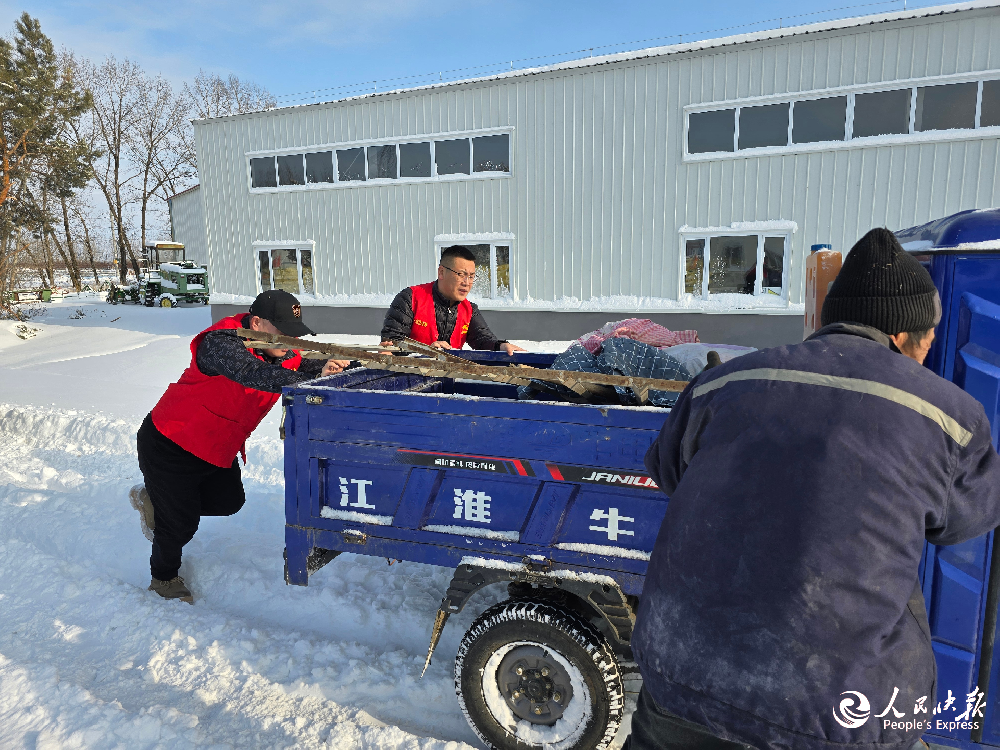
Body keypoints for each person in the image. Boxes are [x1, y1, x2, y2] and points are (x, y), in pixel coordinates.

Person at [626, 228, 1000, 750]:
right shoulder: (950, 417)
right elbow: (966, 521)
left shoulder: (722, 382)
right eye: (929, 342)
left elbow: (668, 470)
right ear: (903, 336)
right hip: (836, 712)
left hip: (680, 684)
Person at [129, 289, 350, 603]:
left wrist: (340, 364)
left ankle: (158, 500)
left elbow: (316, 365)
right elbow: (251, 372)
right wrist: (303, 381)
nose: (290, 342)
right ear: (256, 323)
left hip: (216, 447)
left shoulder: (283, 353)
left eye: (294, 334)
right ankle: (163, 579)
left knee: (229, 502)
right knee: (178, 525)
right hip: (171, 442)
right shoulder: (219, 343)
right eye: (283, 332)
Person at [380, 245, 525, 354]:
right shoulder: (411, 298)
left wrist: (500, 346)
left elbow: (483, 340)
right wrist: (425, 350)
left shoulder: (469, 310)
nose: (467, 282)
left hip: (447, 381)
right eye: (461, 274)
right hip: (407, 380)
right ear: (441, 272)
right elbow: (391, 343)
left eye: (472, 276)